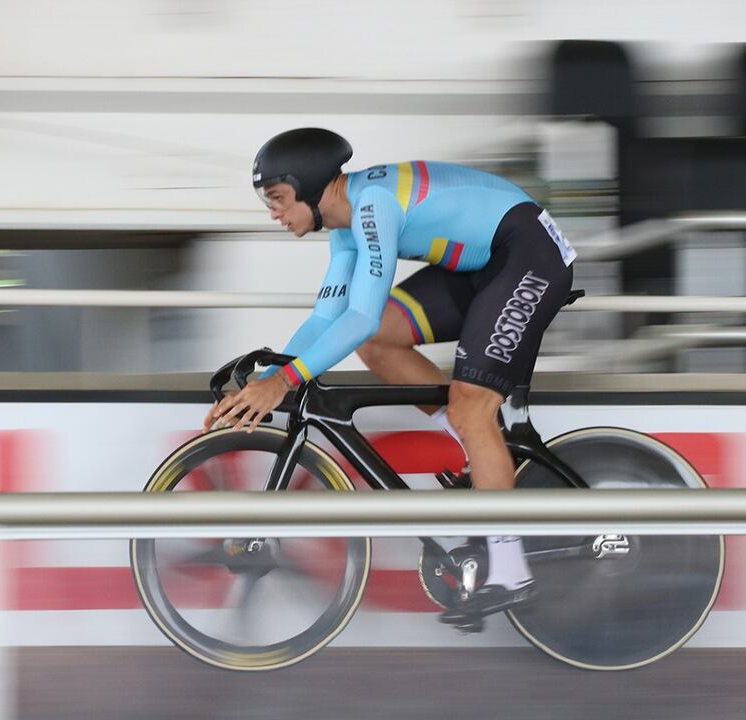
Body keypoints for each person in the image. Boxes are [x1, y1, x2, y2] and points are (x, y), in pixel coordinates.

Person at [203, 127, 576, 627]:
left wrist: (285, 381)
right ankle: (476, 445)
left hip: (527, 255)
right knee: (379, 340)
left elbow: (358, 316)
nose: (273, 212)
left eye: (277, 198)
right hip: (484, 263)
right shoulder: (344, 227)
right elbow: (327, 319)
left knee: (471, 406)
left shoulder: (373, 204)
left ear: (309, 186)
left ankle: (511, 573)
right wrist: (266, 378)